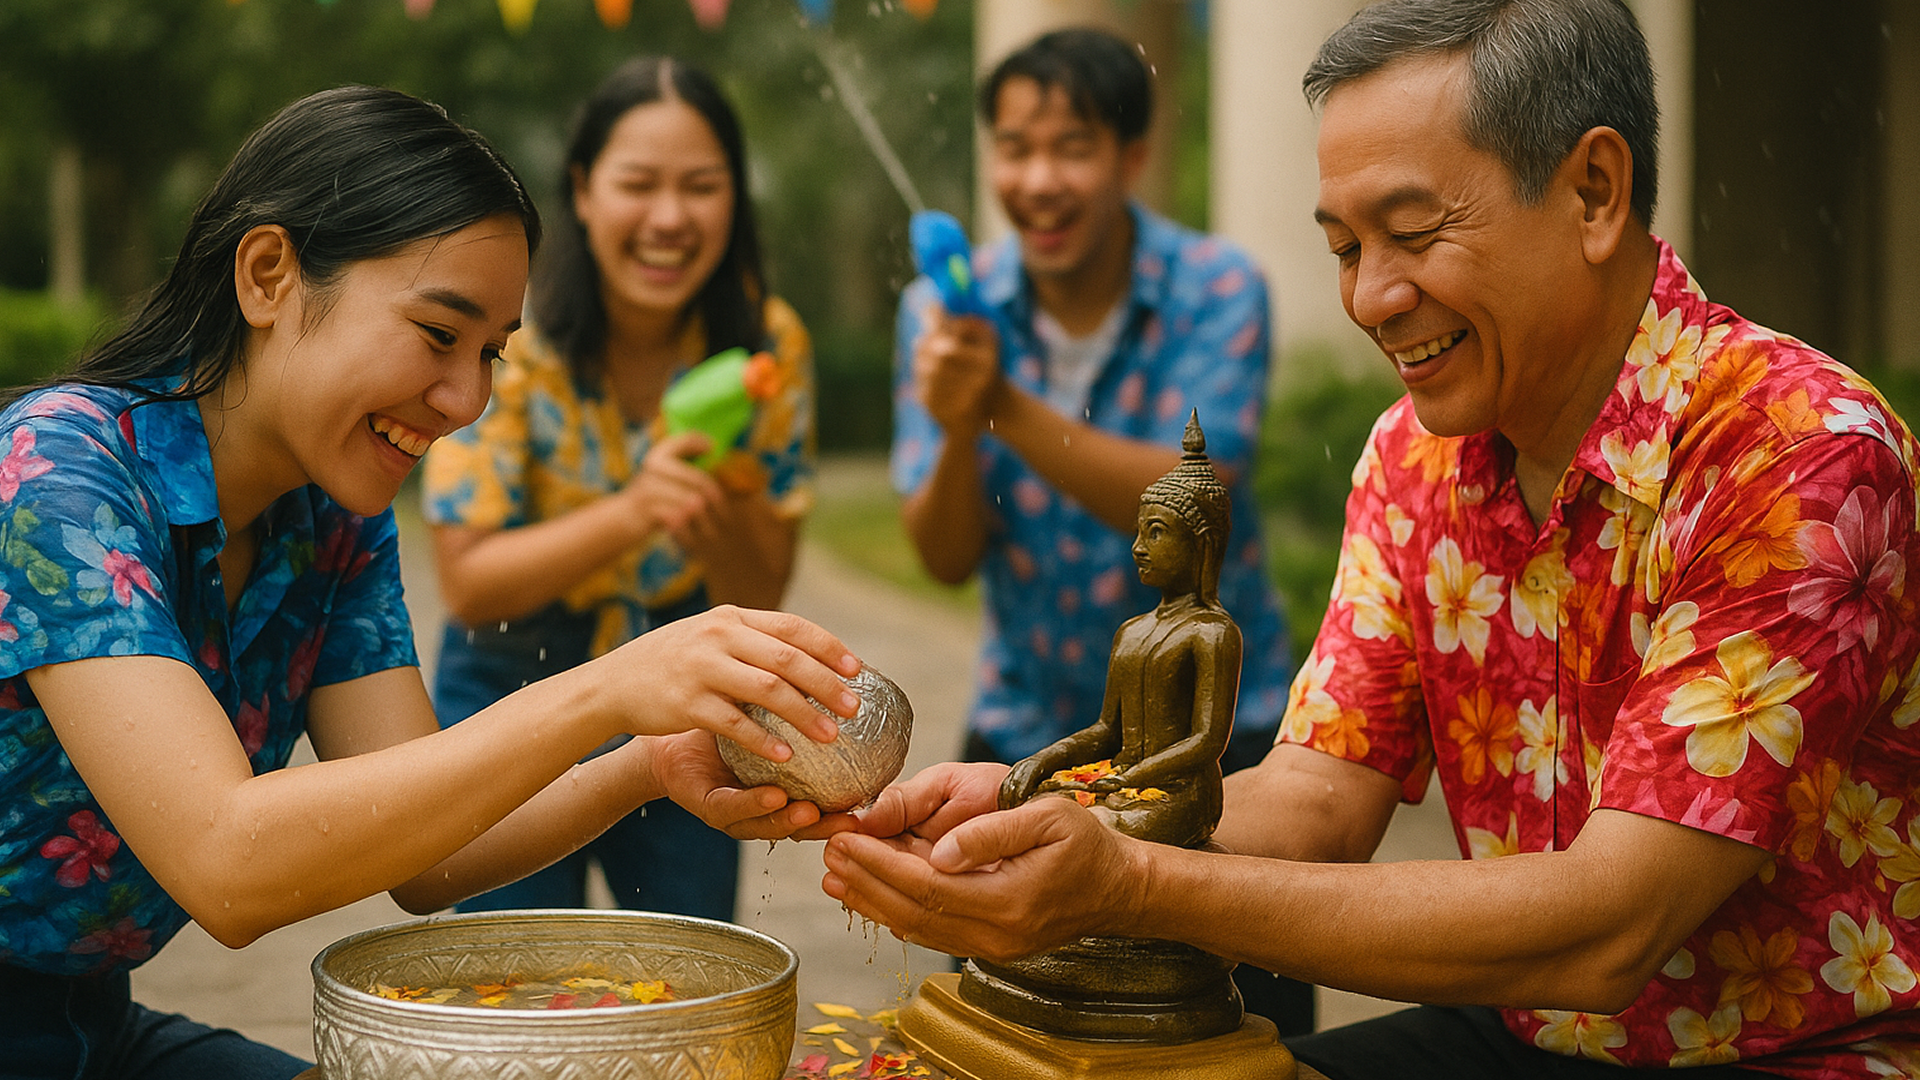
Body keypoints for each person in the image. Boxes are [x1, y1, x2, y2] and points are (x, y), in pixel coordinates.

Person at [823, 1, 1920, 1076]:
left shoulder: (1800, 456)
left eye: (1412, 232)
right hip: (1524, 1026)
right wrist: (1034, 806)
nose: (1372, 296)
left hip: (1801, 1050)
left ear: (1593, 190)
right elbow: (1315, 800)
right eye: (1346, 246)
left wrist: (1126, 881)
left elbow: (1607, 931)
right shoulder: (1414, 455)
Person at [0, 85, 856, 1080]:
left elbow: (428, 862)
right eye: (440, 335)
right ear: (268, 274)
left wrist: (651, 761)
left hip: (89, 1027)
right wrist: (609, 686)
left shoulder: (333, 521)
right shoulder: (56, 471)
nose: (467, 400)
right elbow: (226, 865)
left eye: (491, 352)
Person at [887, 24, 1308, 1032]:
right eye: (1015, 148)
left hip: (1227, 759)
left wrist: (1002, 405)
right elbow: (942, 557)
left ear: (1130, 155)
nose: (1039, 179)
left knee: (1242, 1031)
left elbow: (1194, 496)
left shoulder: (1218, 289)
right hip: (1026, 733)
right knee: (1009, 1029)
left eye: (1070, 147)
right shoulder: (941, 311)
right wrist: (957, 429)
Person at [421, 56, 813, 922]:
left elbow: (760, 589)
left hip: (692, 694)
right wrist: (638, 507)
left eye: (702, 187)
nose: (669, 218)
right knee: (513, 991)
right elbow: (468, 581)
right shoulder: (508, 338)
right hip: (511, 683)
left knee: (688, 976)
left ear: (734, 201)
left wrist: (719, 500)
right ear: (585, 191)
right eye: (639, 183)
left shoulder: (766, 347)